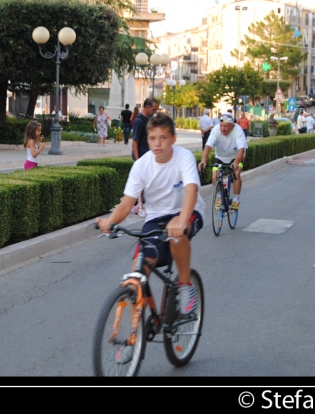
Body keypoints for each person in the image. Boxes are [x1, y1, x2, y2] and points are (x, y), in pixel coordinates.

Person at [96, 112, 205, 316]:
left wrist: (181, 220)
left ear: (173, 138)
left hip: (188, 212)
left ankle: (184, 284)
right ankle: (136, 335)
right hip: (156, 217)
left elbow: (191, 191)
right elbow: (127, 202)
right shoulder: (142, 165)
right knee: (137, 276)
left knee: (176, 235)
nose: (158, 144)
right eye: (153, 138)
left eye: (164, 138)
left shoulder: (184, 157)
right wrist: (110, 221)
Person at [198, 112, 246, 211]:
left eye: (226, 126)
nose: (223, 129)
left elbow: (241, 150)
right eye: (221, 125)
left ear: (232, 126)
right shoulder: (216, 130)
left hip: (236, 156)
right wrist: (203, 161)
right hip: (220, 156)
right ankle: (219, 197)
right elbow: (208, 146)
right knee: (215, 177)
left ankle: (236, 199)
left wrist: (236, 163)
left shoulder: (238, 131)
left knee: (236, 173)